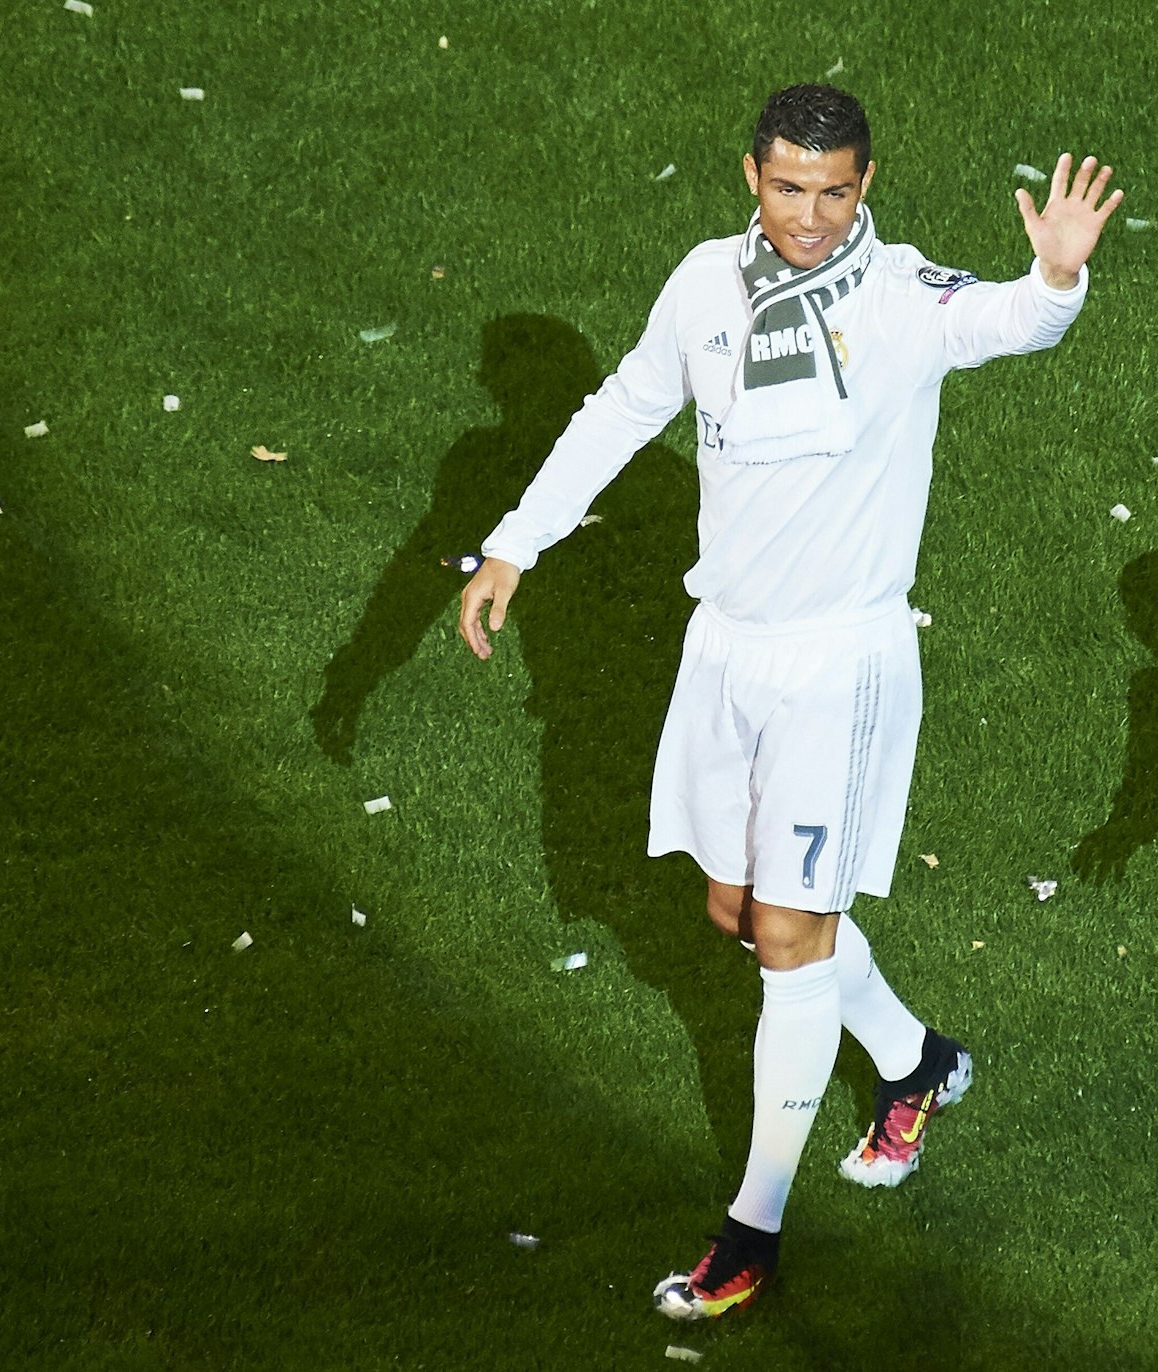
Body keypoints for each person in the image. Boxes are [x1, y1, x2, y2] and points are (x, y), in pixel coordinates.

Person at [458, 84, 1122, 1318]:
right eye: (787, 188)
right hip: (725, 651)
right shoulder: (703, 284)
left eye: (835, 191)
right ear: (748, 177)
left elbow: (1009, 323)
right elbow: (625, 407)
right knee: (732, 908)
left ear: (865, 184)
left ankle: (750, 1234)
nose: (811, 216)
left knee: (787, 941)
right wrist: (514, 544)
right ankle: (919, 1059)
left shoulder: (903, 297)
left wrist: (1057, 282)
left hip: (838, 667)